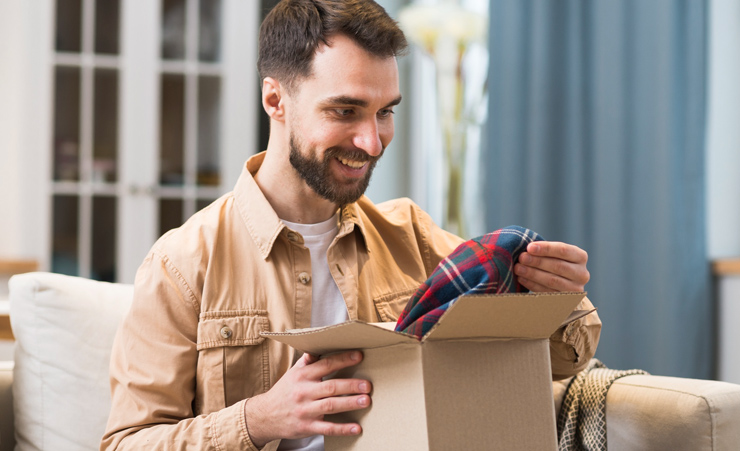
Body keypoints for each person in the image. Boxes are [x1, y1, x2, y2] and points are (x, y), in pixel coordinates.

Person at [101, 1, 601, 450]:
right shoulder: (183, 263)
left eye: (385, 112)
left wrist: (555, 299)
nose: (372, 142)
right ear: (275, 101)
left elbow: (560, 361)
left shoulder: (413, 235)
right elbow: (126, 442)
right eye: (345, 110)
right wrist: (258, 420)